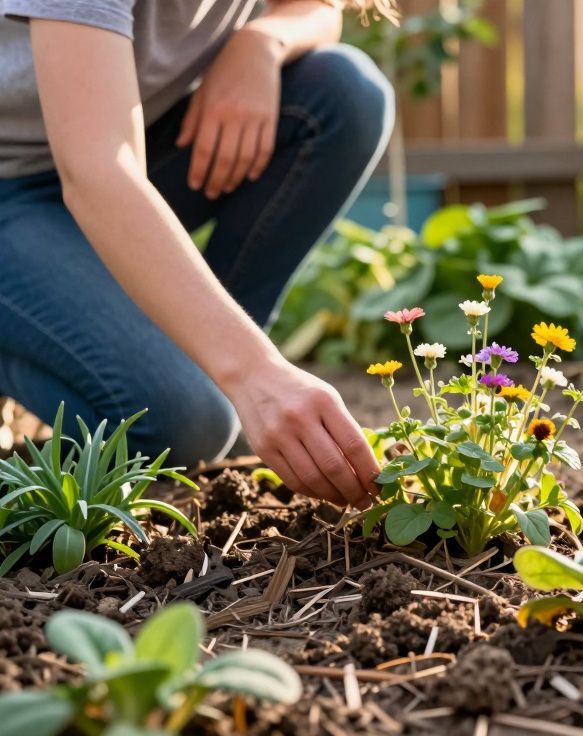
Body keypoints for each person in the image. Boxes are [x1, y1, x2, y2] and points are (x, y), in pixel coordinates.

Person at [0, 0, 397, 509]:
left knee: (341, 94)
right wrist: (254, 373)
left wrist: (260, 41)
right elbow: (98, 173)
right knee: (186, 422)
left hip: (103, 149)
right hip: (47, 177)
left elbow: (316, 9)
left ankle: (218, 385)